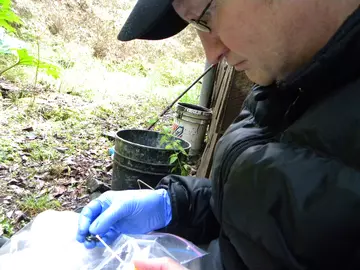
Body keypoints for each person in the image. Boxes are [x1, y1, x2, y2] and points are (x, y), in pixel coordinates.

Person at [77, 0, 360, 269]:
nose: (212, 55)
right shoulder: (286, 86)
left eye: (205, 18)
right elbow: (264, 221)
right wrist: (177, 205)